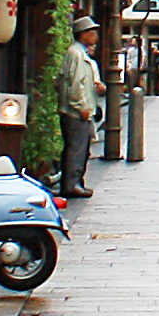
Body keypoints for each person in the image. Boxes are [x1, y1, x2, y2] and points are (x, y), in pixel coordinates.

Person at [60, 32, 102, 198]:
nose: (96, 36)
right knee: (77, 148)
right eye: (93, 33)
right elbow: (75, 84)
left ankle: (74, 182)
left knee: (78, 147)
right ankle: (72, 184)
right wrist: (81, 106)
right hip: (76, 112)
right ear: (84, 35)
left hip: (77, 110)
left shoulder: (79, 52)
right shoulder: (76, 54)